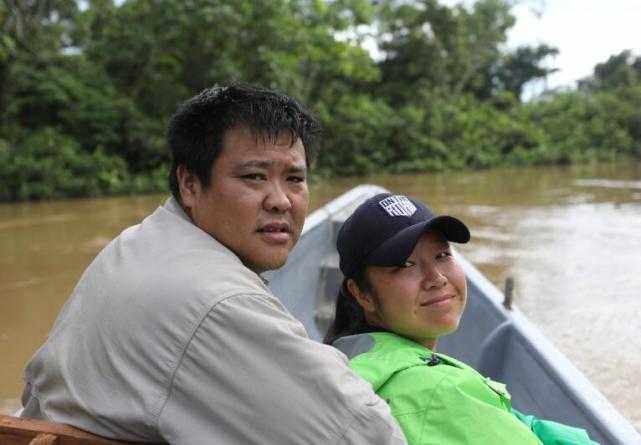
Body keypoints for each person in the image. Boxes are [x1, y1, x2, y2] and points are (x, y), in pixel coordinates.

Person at [20, 84, 407, 444]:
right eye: (254, 177)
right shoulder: (219, 301)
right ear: (190, 184)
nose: (281, 201)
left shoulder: (137, 242)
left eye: (294, 178)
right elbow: (366, 434)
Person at [324, 192, 597, 445]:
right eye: (405, 265)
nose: (437, 278)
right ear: (361, 293)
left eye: (442, 255)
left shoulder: (348, 359)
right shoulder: (438, 391)